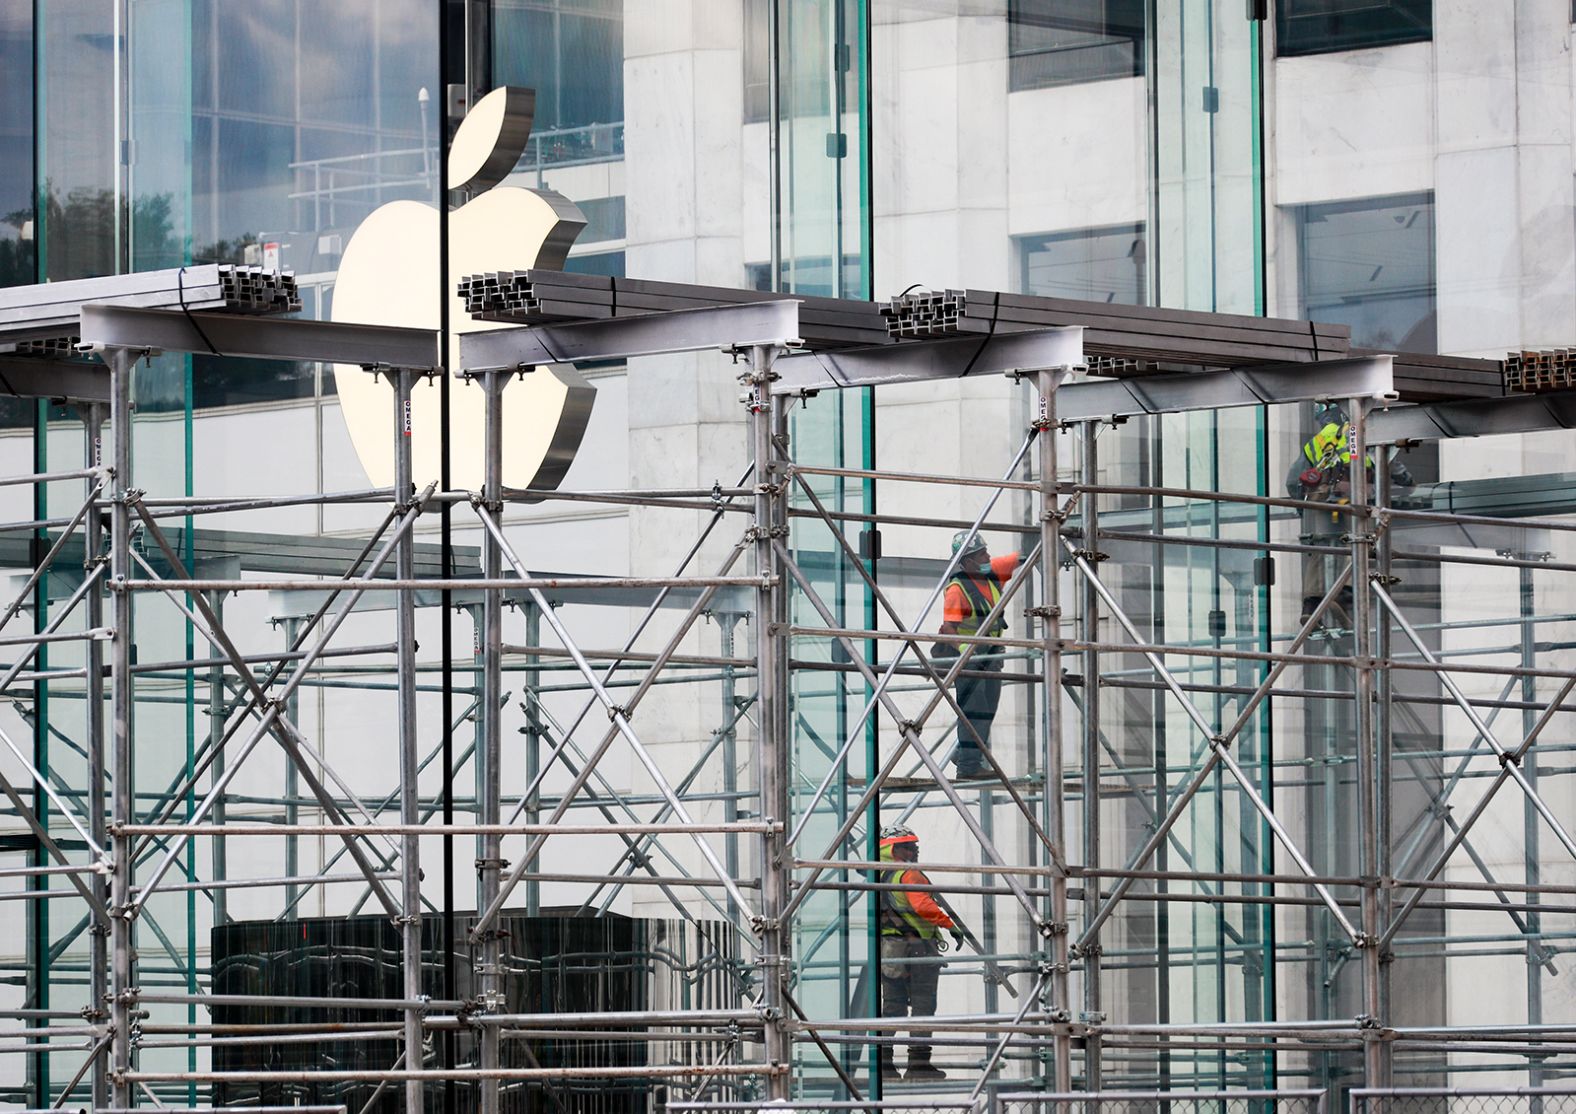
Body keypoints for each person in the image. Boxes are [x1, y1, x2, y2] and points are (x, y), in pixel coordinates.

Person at [1286, 402, 1413, 626]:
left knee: (1320, 549)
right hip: (1354, 498)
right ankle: (1345, 593)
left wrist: (1302, 508)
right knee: (1356, 542)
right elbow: (1395, 469)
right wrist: (1409, 485)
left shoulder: (1318, 441)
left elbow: (1293, 481)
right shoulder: (1360, 432)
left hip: (1321, 501)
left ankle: (1312, 603)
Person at [878, 825, 965, 1082]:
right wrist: (951, 926)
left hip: (889, 950)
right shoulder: (908, 874)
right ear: (894, 850)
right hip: (916, 949)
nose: (914, 851)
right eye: (909, 846)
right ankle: (918, 1063)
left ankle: (884, 1066)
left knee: (892, 1007)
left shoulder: (880, 875)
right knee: (923, 1005)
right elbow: (924, 906)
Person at [937, 531, 1019, 778]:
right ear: (967, 561)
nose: (988, 555)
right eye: (981, 553)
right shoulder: (957, 590)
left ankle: (964, 753)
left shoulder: (991, 572)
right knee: (974, 710)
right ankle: (968, 767)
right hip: (969, 658)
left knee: (988, 709)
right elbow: (949, 629)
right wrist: (965, 650)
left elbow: (1020, 558)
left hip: (992, 655)